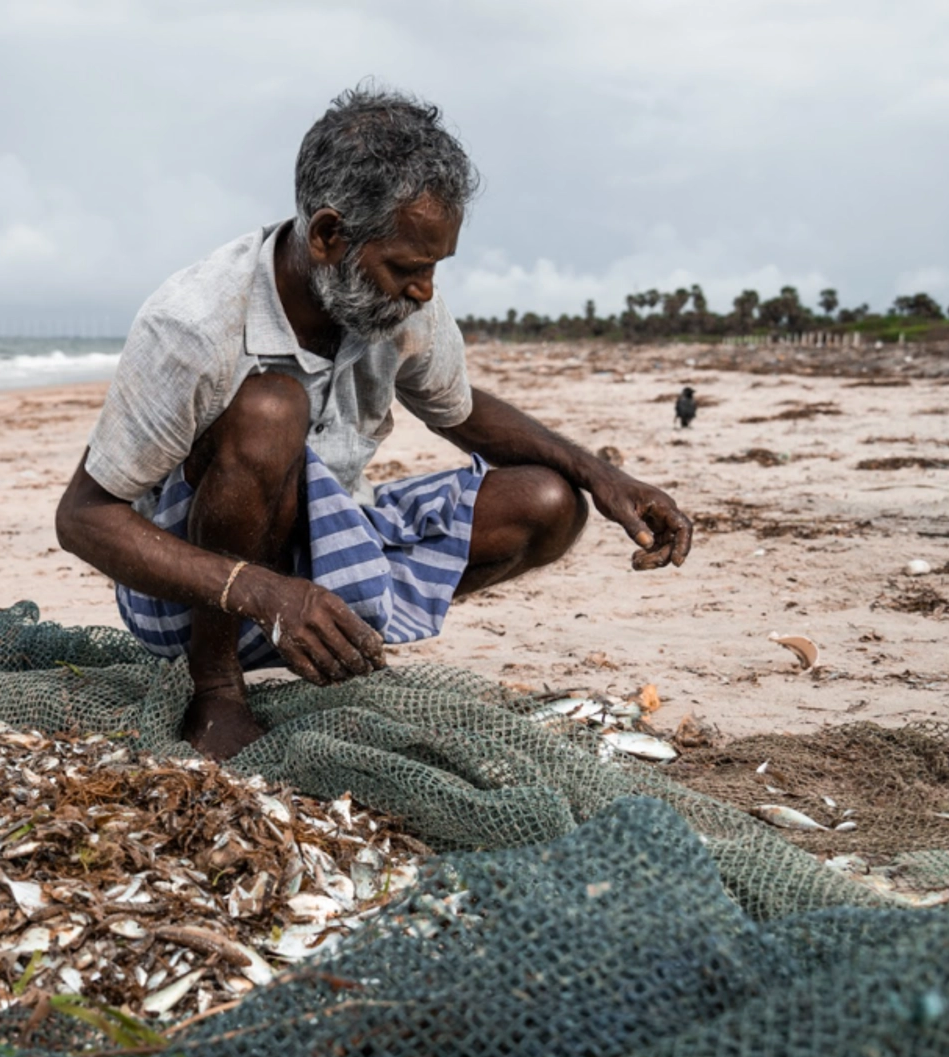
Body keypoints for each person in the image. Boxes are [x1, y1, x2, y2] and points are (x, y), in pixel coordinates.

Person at [56, 86, 692, 761]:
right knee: (273, 408)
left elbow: (465, 414)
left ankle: (332, 636)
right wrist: (261, 591)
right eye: (409, 269)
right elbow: (85, 518)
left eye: (435, 268)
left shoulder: (402, 302)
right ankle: (220, 688)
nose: (424, 290)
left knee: (549, 501)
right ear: (329, 236)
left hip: (325, 545)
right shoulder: (195, 324)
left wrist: (604, 475)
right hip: (195, 597)